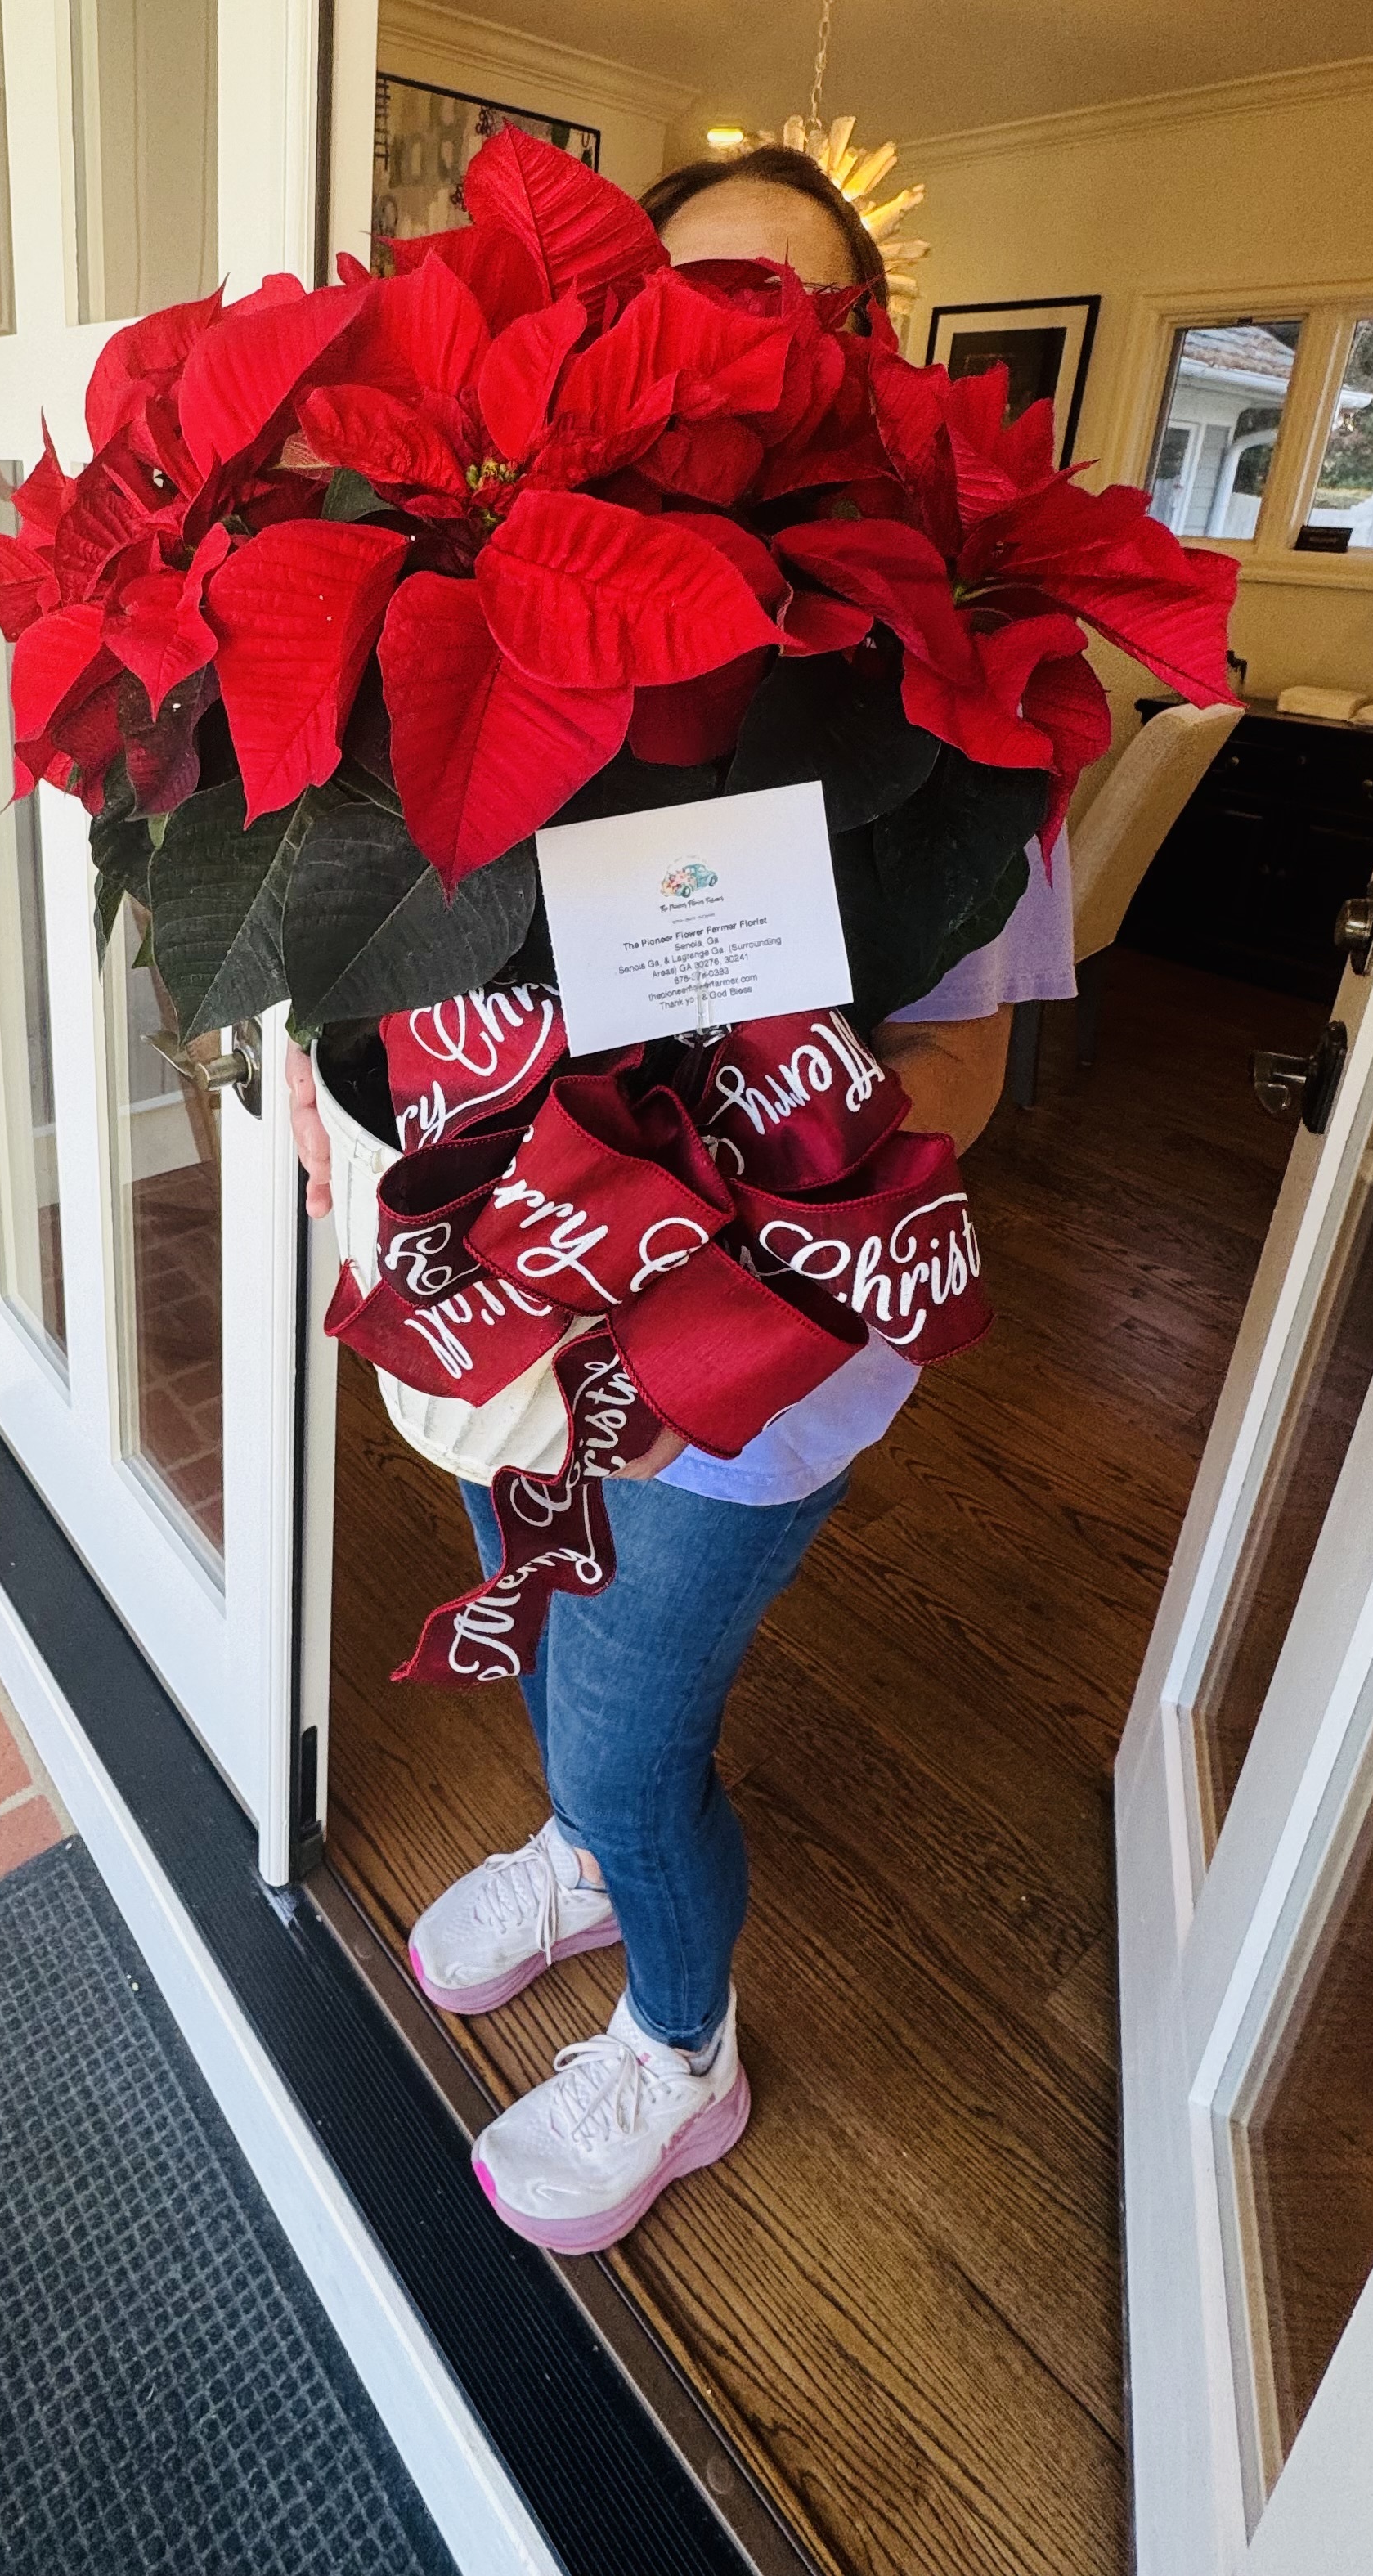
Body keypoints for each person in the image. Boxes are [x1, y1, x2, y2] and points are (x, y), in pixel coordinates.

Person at [285, 142, 1077, 2256]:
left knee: (637, 1746)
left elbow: (965, 1081)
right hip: (518, 1320)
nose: (735, 360)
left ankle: (679, 2041)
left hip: (751, 1362)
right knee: (552, 1636)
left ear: (864, 362)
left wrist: (681, 1194)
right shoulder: (541, 629)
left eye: (792, 319)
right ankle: (577, 1856)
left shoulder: (947, 706)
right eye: (684, 307)